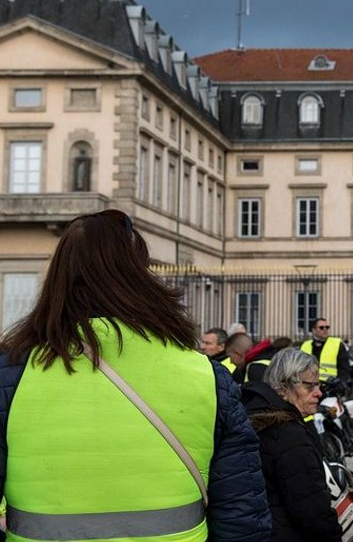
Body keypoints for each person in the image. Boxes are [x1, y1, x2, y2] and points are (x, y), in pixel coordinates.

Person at [0, 209, 270, 541]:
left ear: (58, 276)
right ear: (140, 275)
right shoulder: (204, 375)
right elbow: (241, 519)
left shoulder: (13, 374)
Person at [241, 348, 342, 542]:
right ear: (284, 388)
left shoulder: (255, 415)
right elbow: (312, 510)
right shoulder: (289, 435)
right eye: (309, 386)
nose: (318, 393)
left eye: (318, 385)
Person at [299, 319, 350, 384]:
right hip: (309, 384)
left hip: (330, 385)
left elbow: (344, 367)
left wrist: (341, 382)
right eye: (321, 328)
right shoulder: (305, 345)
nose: (325, 330)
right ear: (313, 330)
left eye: (327, 327)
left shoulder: (336, 344)